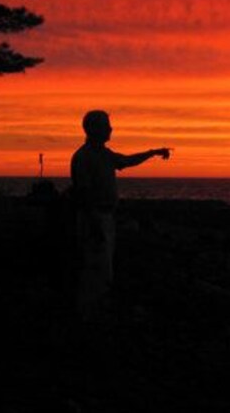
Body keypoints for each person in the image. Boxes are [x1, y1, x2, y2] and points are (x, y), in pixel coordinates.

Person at [70, 110, 170, 318]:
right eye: (106, 125)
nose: (110, 129)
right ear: (94, 129)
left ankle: (97, 312)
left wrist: (152, 152)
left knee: (104, 268)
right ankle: (88, 315)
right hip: (94, 219)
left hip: (104, 218)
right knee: (94, 268)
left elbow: (126, 161)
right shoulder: (84, 157)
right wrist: (96, 224)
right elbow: (84, 194)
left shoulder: (103, 154)